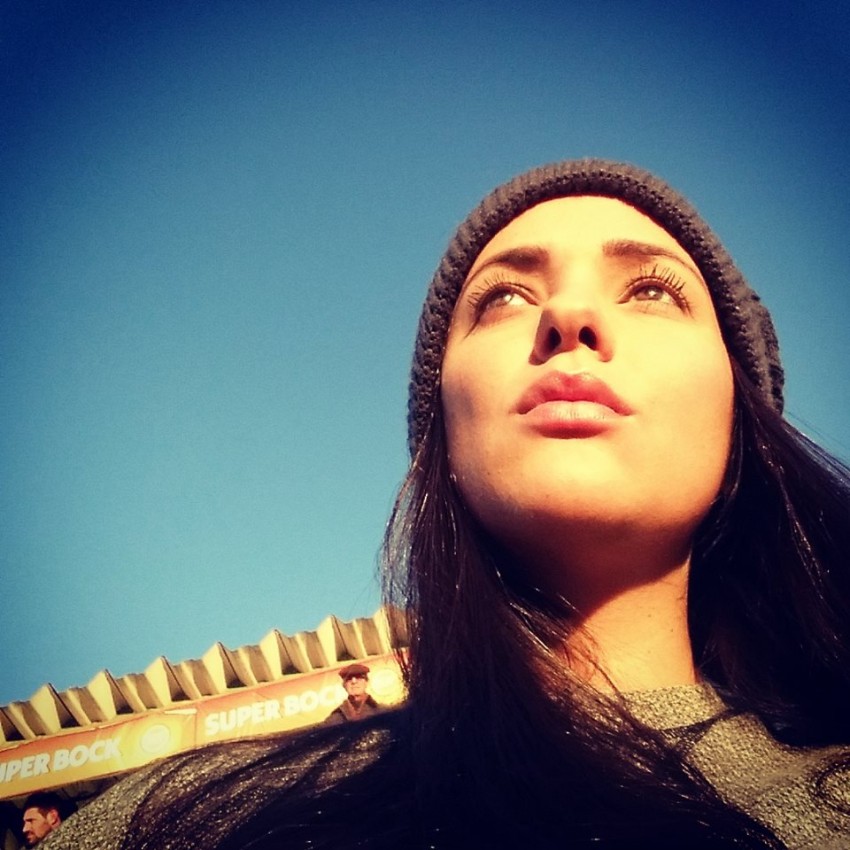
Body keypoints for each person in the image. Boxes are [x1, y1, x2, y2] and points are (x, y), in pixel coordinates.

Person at [42, 160, 850, 850]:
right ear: (443, 432)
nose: (568, 317)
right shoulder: (179, 820)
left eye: (649, 289)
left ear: (742, 415)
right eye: (504, 298)